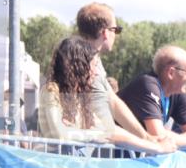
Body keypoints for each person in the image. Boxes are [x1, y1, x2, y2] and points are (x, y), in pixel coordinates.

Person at [38, 36, 172, 153]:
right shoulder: (51, 90)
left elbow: (109, 130)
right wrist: (96, 135)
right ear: (79, 66)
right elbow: (60, 135)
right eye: (93, 65)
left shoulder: (81, 98)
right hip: (55, 167)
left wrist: (149, 141)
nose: (96, 72)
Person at [75, 2, 157, 145]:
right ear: (106, 32)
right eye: (116, 30)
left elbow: (113, 102)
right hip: (67, 155)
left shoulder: (92, 60)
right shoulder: (80, 63)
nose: (116, 35)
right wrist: (151, 145)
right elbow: (99, 123)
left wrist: (146, 137)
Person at [118, 45, 186, 147]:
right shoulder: (147, 84)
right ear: (171, 72)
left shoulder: (177, 92)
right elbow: (158, 135)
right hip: (110, 154)